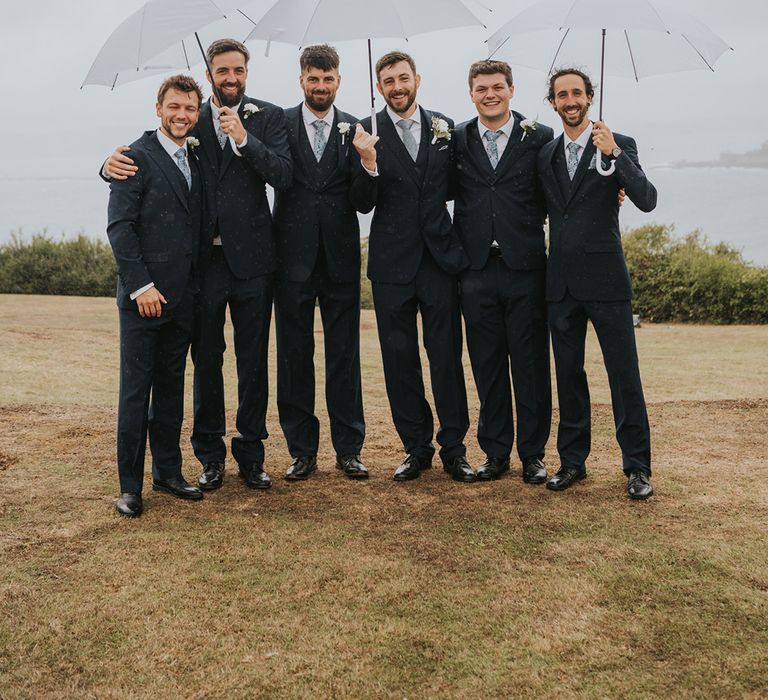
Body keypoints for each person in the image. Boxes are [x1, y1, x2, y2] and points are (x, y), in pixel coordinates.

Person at [103, 39, 292, 492]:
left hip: (254, 263)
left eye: (238, 71)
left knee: (253, 363)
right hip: (202, 265)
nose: (230, 78)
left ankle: (251, 454)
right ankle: (209, 454)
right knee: (206, 361)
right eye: (222, 71)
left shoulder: (270, 117)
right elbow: (150, 159)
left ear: (247, 73)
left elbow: (284, 176)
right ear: (210, 75)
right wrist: (108, 165)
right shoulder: (191, 120)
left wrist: (245, 140)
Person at [351, 51, 474, 483]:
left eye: (403, 78)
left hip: (439, 260)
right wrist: (367, 163)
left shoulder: (445, 127)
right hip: (390, 265)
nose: (397, 86)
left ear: (417, 79)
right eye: (388, 81)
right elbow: (361, 202)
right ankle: (416, 447)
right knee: (399, 360)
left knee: (446, 358)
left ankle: (454, 449)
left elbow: (467, 187)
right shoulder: (366, 133)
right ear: (379, 87)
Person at [537, 67, 657, 499]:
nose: (570, 100)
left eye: (577, 93)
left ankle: (638, 468)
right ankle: (572, 462)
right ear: (552, 102)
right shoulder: (545, 154)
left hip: (607, 281)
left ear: (590, 96)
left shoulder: (617, 142)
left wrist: (616, 158)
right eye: (561, 94)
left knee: (624, 376)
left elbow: (646, 198)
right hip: (560, 285)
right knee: (568, 376)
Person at [106, 75, 206, 517]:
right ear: (158, 108)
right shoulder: (133, 158)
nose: (181, 115)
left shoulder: (197, 156)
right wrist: (141, 285)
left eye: (189, 108)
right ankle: (130, 487)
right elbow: (120, 229)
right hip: (143, 298)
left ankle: (168, 472)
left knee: (170, 390)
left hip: (184, 298)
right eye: (174, 107)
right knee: (135, 393)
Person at [452, 60, 553, 485]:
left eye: (497, 87)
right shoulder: (455, 139)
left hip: (526, 267)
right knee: (487, 365)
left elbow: (559, 187)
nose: (490, 94)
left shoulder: (540, 137)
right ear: (471, 94)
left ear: (512, 89)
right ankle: (495, 453)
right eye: (481, 88)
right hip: (475, 270)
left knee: (530, 365)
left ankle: (533, 454)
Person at [273, 44, 367, 481]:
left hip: (341, 261)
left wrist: (369, 161)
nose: (321, 86)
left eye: (328, 79)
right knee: (294, 356)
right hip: (290, 261)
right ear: (302, 80)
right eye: (313, 78)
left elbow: (365, 203)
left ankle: (349, 449)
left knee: (344, 357)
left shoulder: (357, 128)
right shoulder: (279, 124)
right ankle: (301, 450)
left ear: (338, 81)